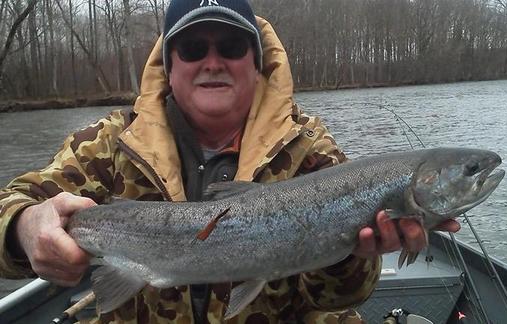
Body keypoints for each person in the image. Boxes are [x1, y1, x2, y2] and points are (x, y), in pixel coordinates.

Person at [0, 0, 460, 323]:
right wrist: (24, 227)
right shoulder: (105, 147)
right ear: (169, 64)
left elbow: (343, 296)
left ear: (256, 63)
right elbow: (10, 205)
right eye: (194, 48)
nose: (213, 62)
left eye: (232, 47)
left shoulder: (311, 152)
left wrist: (352, 259)